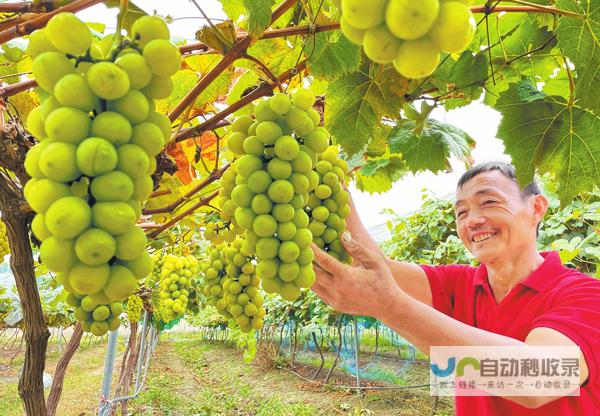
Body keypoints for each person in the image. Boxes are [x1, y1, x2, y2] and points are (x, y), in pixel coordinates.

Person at [311, 162, 600, 415]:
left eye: (488, 202)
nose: (472, 220)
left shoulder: (586, 295)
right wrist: (337, 187)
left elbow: (539, 380)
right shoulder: (458, 285)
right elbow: (372, 266)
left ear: (536, 207)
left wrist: (389, 307)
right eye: (461, 213)